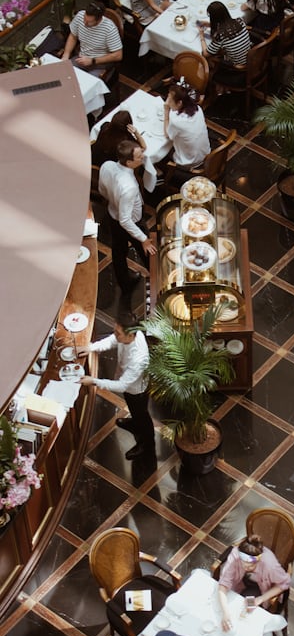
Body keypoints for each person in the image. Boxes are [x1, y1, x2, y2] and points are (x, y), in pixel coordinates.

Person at [79, 311, 155, 461]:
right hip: (127, 384)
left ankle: (146, 444)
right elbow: (112, 340)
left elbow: (121, 386)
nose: (115, 335)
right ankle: (134, 423)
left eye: (118, 333)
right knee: (134, 410)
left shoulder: (138, 358)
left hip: (137, 391)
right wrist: (91, 348)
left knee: (142, 416)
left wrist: (94, 381)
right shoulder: (126, 335)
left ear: (130, 335)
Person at [98, 139, 157, 295]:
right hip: (132, 222)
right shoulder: (129, 186)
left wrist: (114, 200)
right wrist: (143, 239)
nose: (143, 157)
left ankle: (125, 283)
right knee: (149, 253)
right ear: (130, 162)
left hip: (112, 215)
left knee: (118, 252)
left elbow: (102, 190)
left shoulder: (107, 165)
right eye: (139, 156)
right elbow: (125, 220)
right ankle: (158, 281)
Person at [217, 536, 291, 632]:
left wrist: (261, 599)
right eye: (243, 564)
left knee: (246, 620)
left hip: (262, 589)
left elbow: (284, 583)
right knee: (231, 608)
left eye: (250, 566)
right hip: (239, 583)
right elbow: (223, 584)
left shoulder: (270, 565)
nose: (245, 567)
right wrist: (225, 613)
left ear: (258, 560)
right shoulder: (236, 555)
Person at [61, 1, 122, 76]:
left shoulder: (109, 28)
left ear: (98, 20)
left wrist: (93, 61)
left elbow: (118, 55)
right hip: (81, 58)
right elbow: (73, 36)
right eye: (84, 19)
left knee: (86, 84)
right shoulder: (80, 15)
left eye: (89, 22)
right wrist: (66, 54)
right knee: (63, 74)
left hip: (99, 64)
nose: (85, 23)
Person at [199, 2, 253, 84]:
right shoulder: (239, 21)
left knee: (209, 58)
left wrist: (201, 36)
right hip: (250, 58)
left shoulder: (220, 35)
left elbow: (205, 53)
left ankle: (213, 85)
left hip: (238, 67)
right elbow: (227, 25)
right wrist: (210, 25)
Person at [163, 81, 210, 168]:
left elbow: (167, 135)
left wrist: (166, 111)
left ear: (180, 103)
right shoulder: (198, 109)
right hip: (205, 154)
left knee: (163, 150)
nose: (168, 102)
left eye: (170, 99)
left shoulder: (176, 121)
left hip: (189, 162)